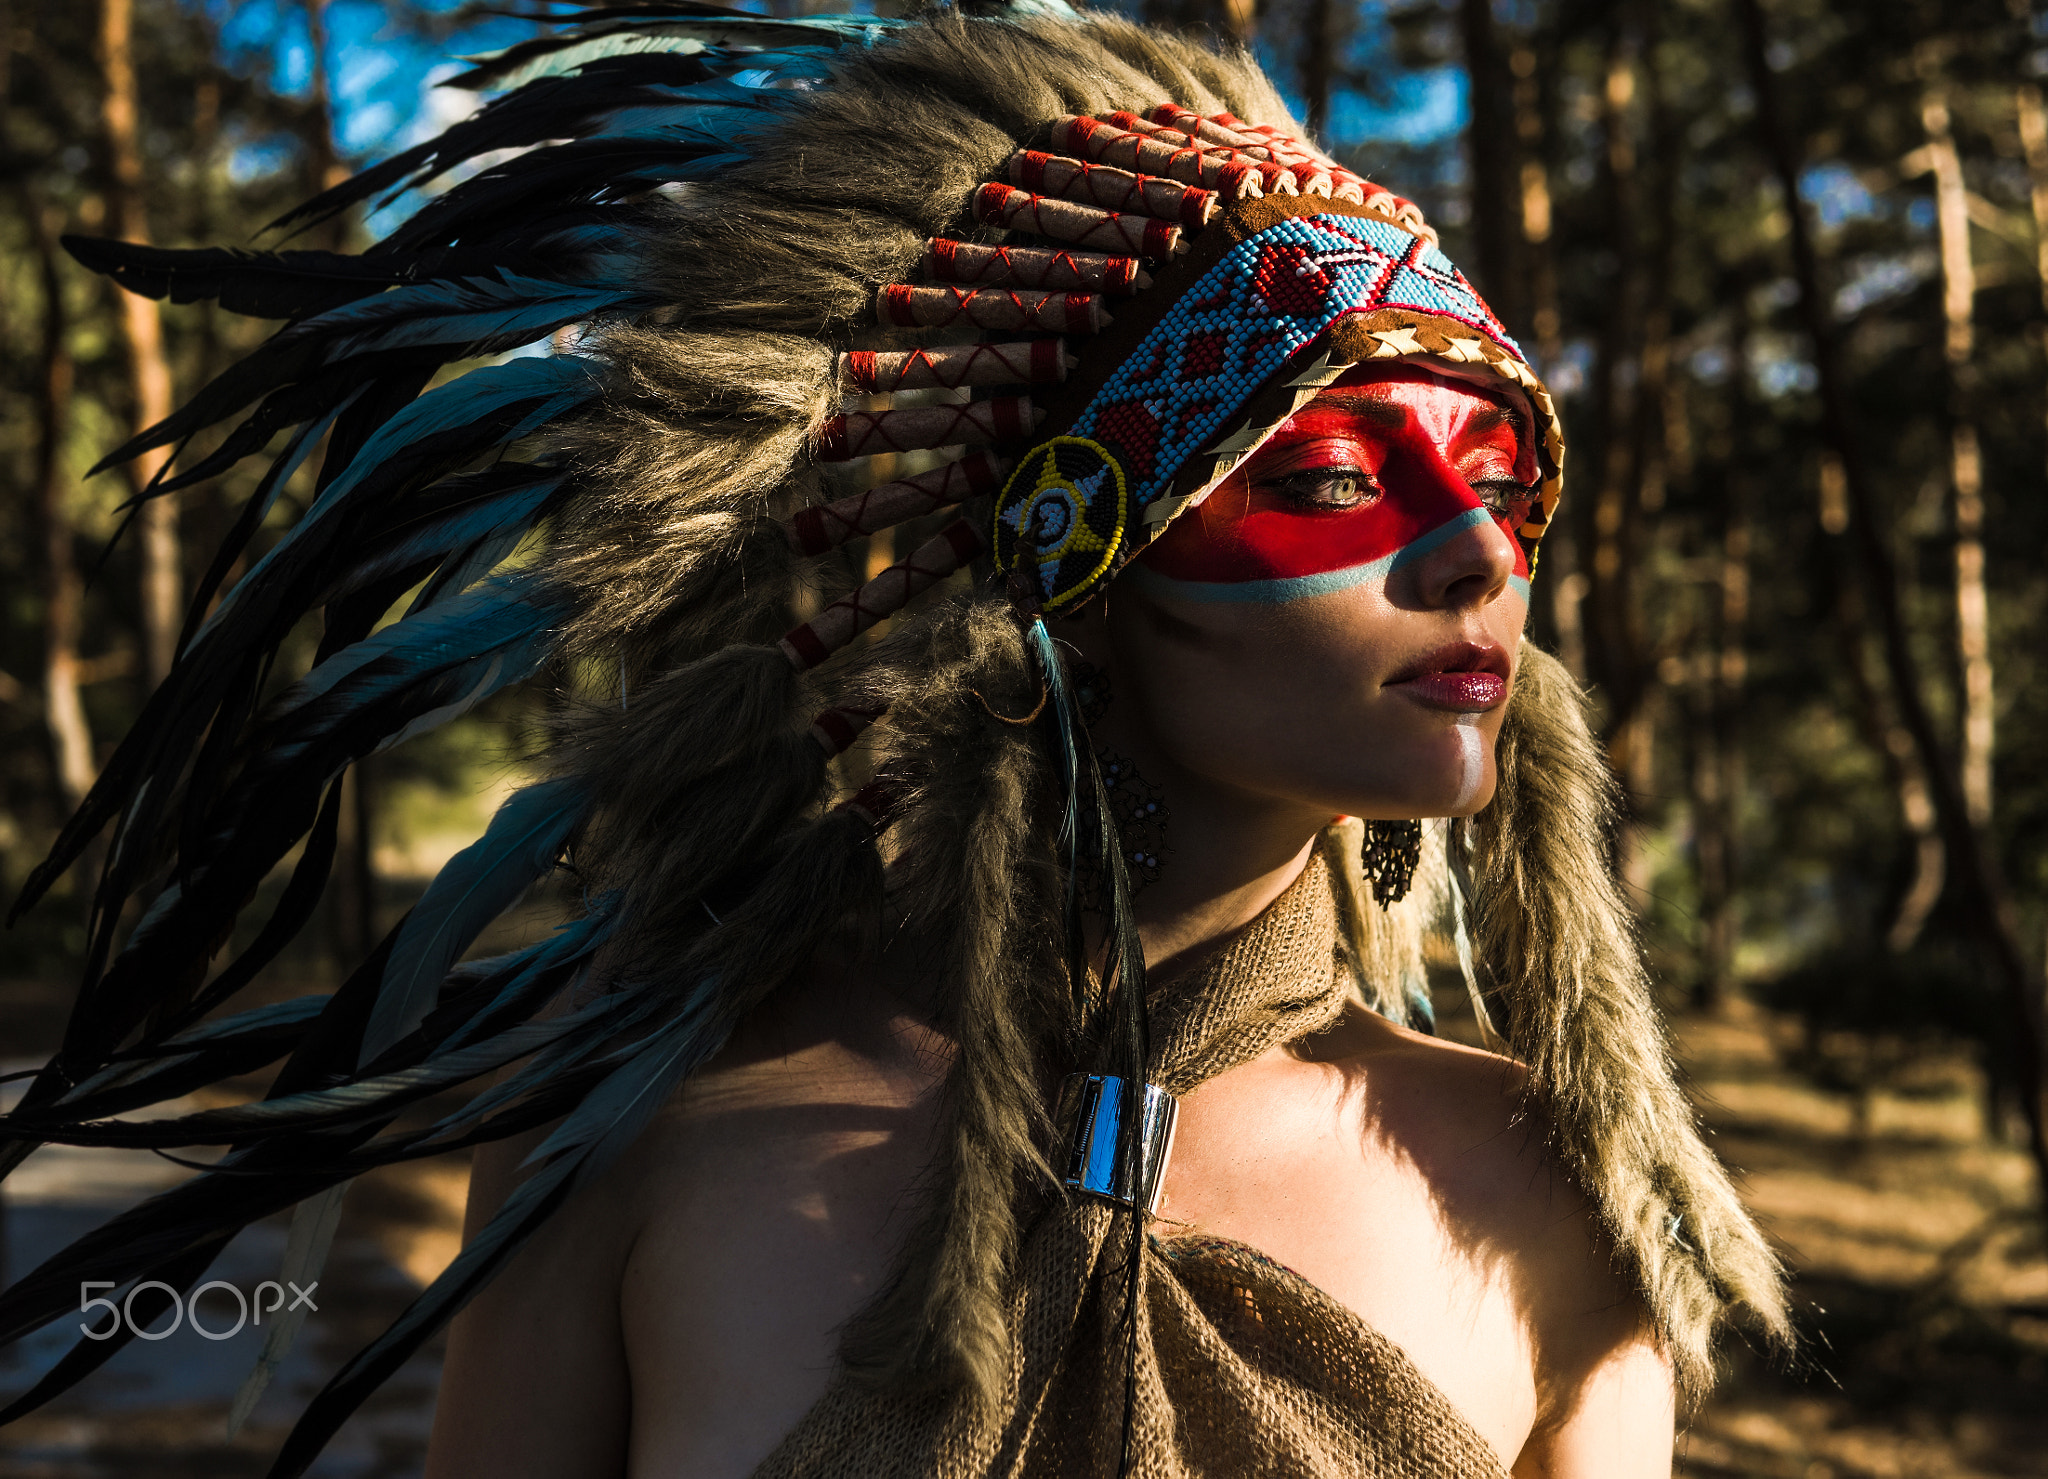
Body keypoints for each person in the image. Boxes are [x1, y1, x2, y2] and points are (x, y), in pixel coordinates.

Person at [0, 7, 1787, 1478]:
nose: (1479, 552)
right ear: (1064, 554)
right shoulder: (639, 1144)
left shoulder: (1558, 1190)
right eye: (1334, 479)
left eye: (1504, 483)